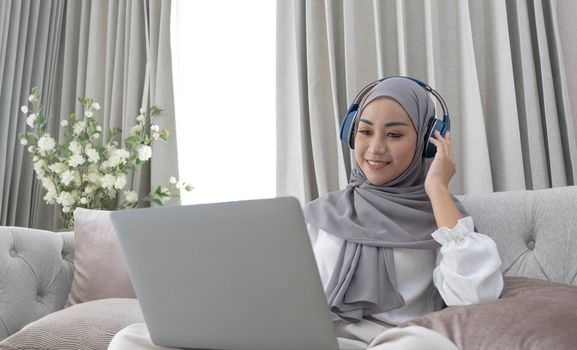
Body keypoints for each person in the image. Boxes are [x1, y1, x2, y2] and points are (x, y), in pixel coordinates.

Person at [109, 77, 503, 349]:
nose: (375, 148)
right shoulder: (321, 214)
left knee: (425, 345)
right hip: (309, 339)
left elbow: (474, 296)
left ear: (427, 145)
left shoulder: (445, 217)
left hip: (387, 342)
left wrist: (436, 189)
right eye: (364, 132)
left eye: (395, 134)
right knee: (131, 338)